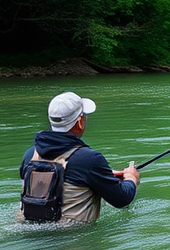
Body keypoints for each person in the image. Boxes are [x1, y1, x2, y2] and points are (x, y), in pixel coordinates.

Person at [19, 92, 139, 223]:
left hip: (29, 229)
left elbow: (62, 177)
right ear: (79, 122)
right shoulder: (90, 159)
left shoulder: (30, 154)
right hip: (72, 238)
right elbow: (121, 200)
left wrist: (104, 176)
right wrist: (131, 178)